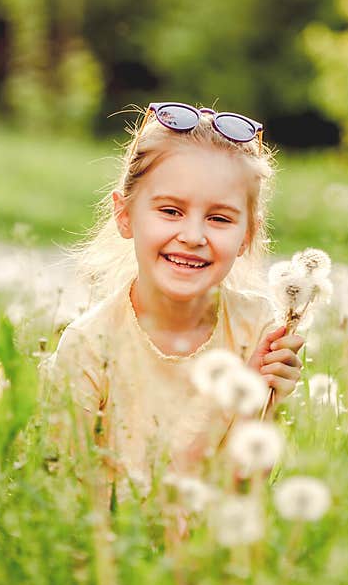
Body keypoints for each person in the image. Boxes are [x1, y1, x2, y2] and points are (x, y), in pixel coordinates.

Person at [42, 102, 304, 500]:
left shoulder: (259, 328)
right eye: (170, 210)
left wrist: (262, 402)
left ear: (247, 235)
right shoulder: (89, 346)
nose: (193, 235)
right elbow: (64, 498)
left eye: (219, 218)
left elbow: (243, 492)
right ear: (125, 214)